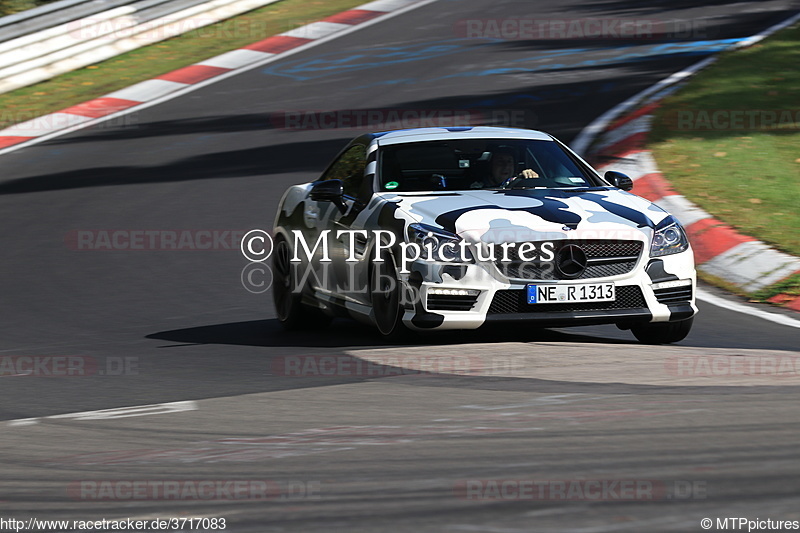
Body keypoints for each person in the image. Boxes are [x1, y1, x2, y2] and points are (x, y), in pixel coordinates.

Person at [471, 149, 539, 188]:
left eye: (509, 162)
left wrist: (530, 179)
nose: (506, 166)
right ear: (491, 166)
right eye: (500, 162)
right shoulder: (477, 188)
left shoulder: (520, 183)